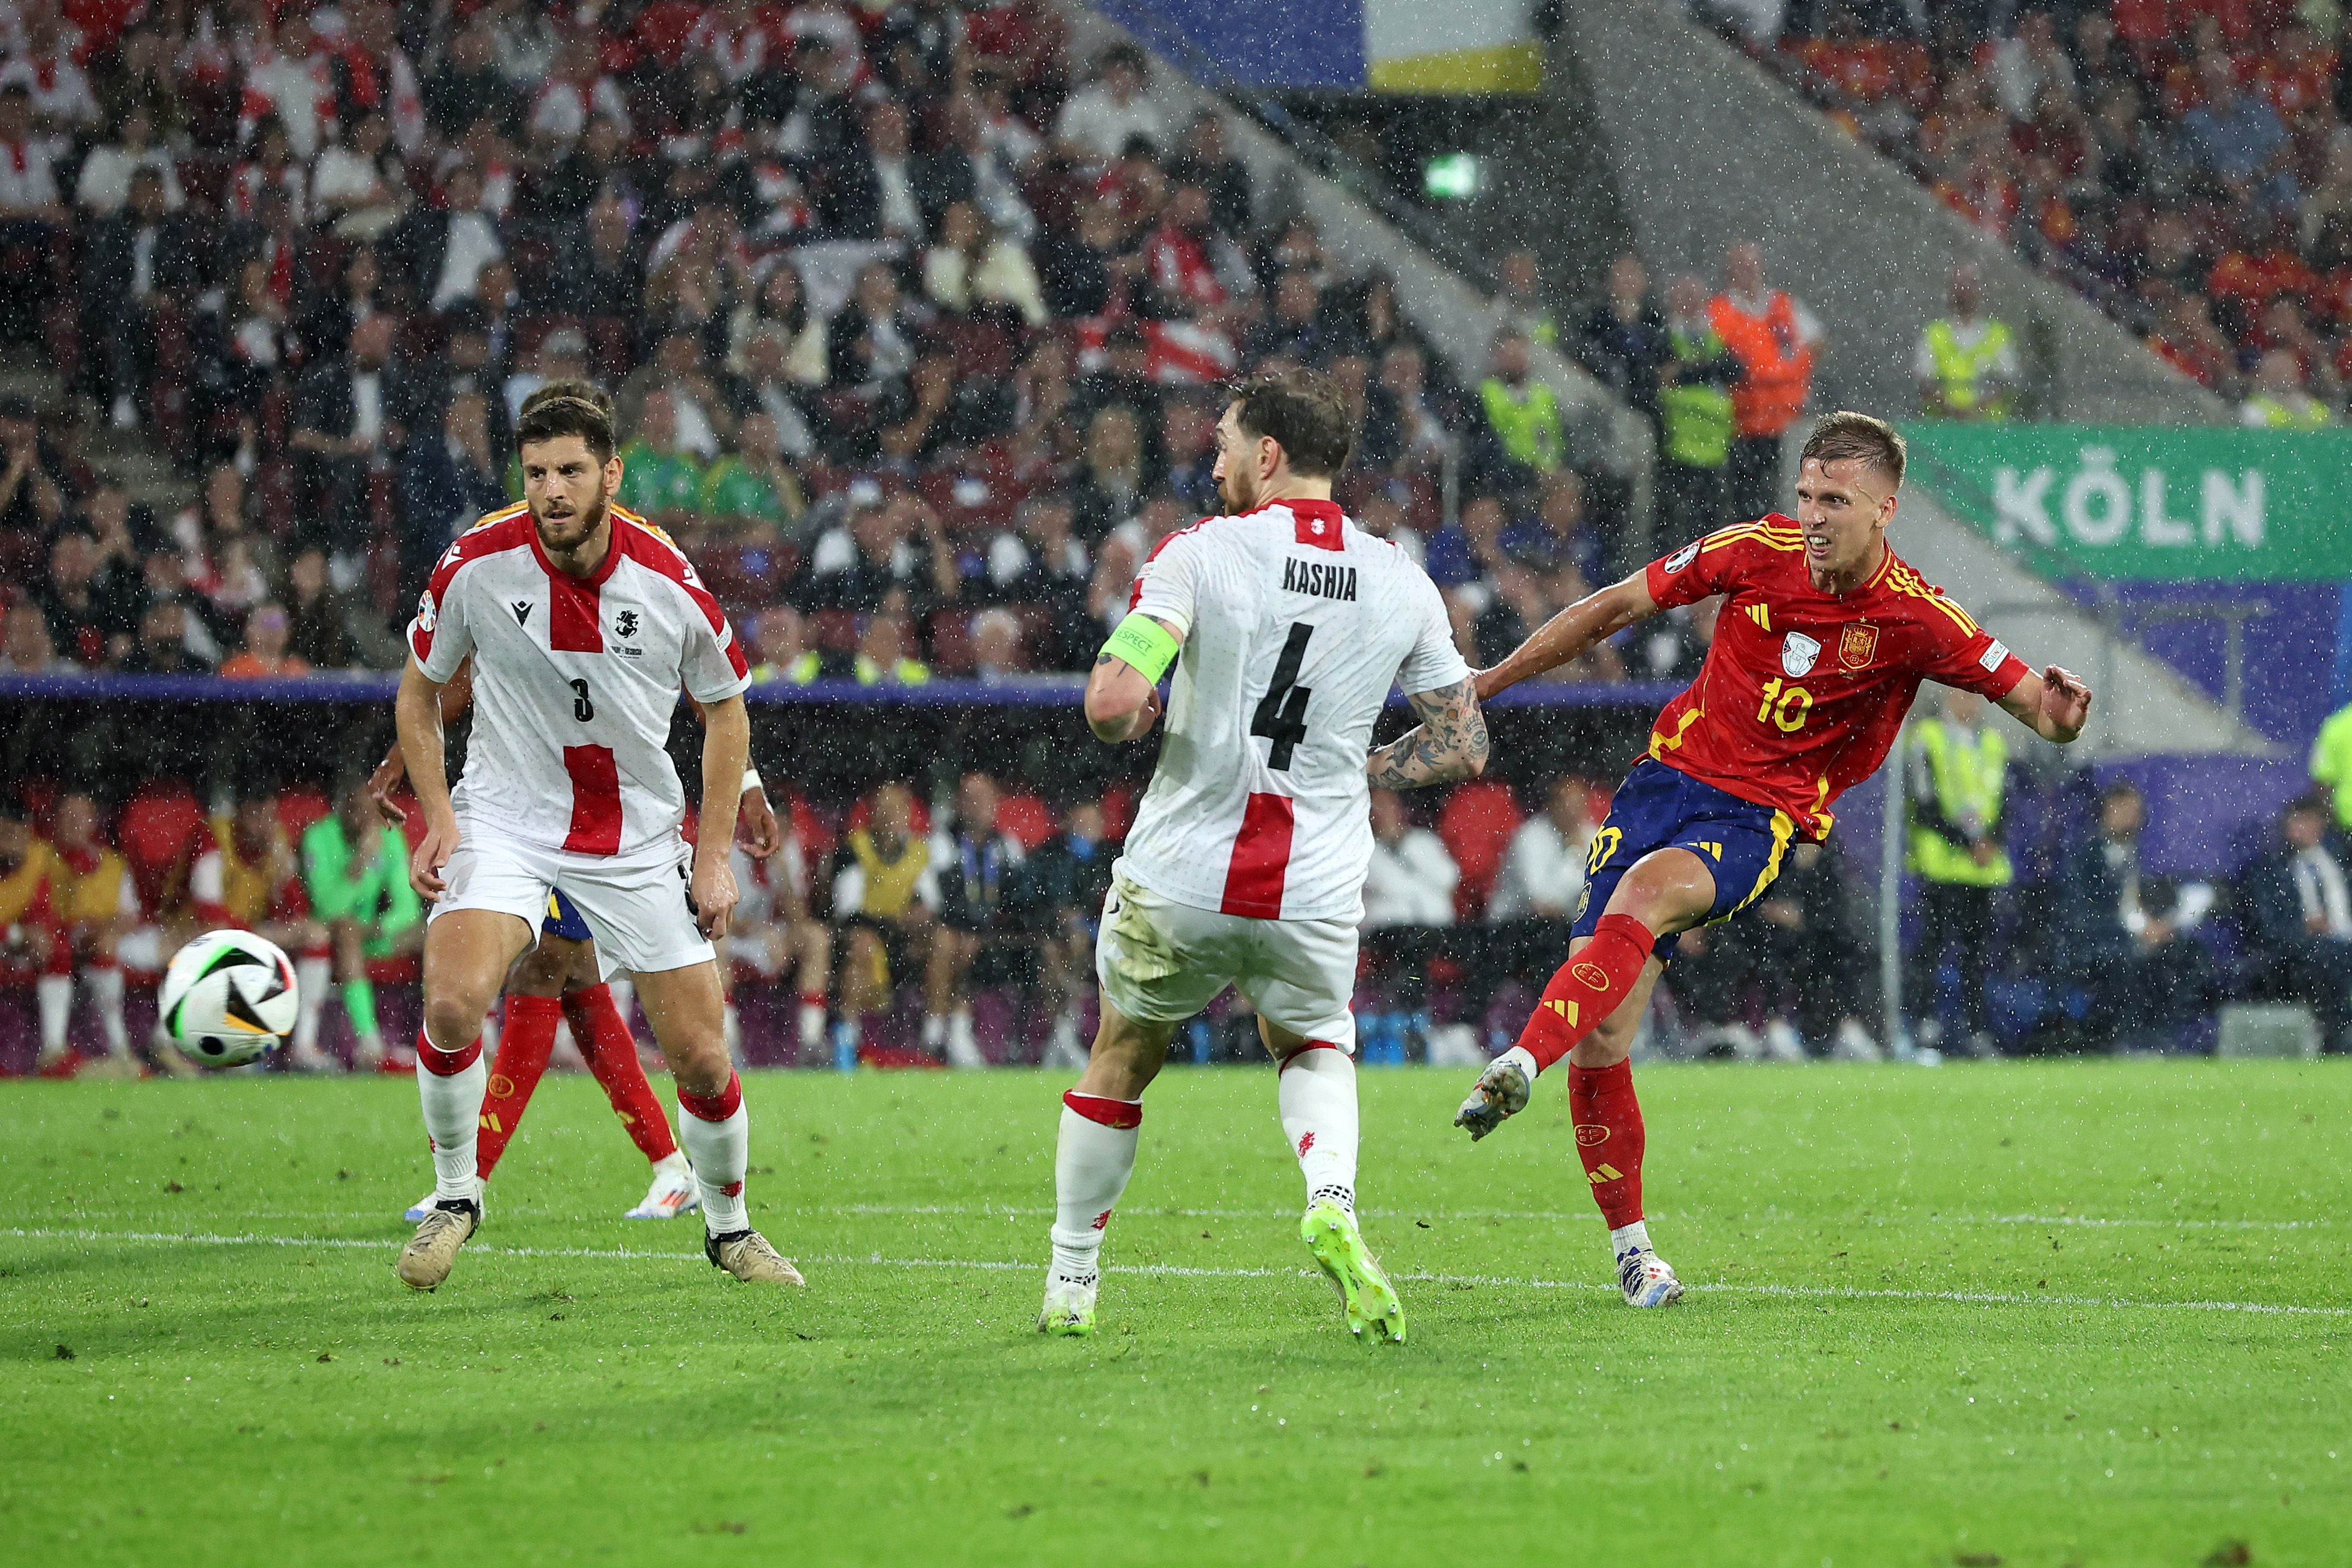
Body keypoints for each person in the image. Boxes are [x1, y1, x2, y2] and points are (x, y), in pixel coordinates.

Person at [1452, 411, 2092, 1308]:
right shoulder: (1755, 550)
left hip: (1760, 818)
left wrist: (2063, 711)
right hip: (1661, 786)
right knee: (1603, 1033)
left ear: (1884, 510)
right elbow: (1617, 607)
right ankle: (1635, 1255)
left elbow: (2039, 706)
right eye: (1806, 495)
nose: (1815, 515)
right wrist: (1486, 684)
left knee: (1644, 899)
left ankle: (1518, 1060)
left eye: (1836, 499)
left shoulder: (1915, 616)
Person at [1042, 368, 1490, 1342]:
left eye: (1226, 444)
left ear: (1270, 455)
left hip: (1184, 873)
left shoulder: (1199, 556)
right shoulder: (1402, 579)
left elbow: (1113, 705)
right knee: (1315, 1040)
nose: (1215, 462)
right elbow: (1465, 741)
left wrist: (1137, 701)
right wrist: (1359, 764)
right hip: (1315, 886)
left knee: (1123, 1053)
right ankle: (1330, 1195)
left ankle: (1072, 1283)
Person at [392, 381, 798, 1289]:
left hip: (636, 841)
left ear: (612, 472)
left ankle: (729, 1229)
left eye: (572, 470)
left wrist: (714, 859)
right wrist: (442, 820)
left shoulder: (669, 582)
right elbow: (421, 691)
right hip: (506, 821)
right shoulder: (474, 564)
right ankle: (457, 1197)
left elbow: (727, 714)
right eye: (536, 472)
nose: (552, 491)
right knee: (454, 1002)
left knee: (700, 1056)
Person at [2055, 781, 2216, 1053]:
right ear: (2104, 813)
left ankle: (2169, 1037)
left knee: (2189, 954)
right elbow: (2079, 916)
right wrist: (2133, 932)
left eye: (2133, 812)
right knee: (2124, 962)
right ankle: (2128, 1041)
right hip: (2094, 944)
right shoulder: (2082, 856)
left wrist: (2161, 927)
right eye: (2120, 810)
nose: (2128, 818)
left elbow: (2140, 903)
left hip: (2137, 939)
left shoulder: (2141, 855)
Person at [190, 793, 335, 1070]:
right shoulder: (213, 837)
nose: (265, 825)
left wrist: (283, 882)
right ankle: (223, 1043)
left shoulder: (275, 843)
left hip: (250, 936)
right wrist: (263, 933)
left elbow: (298, 913)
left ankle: (303, 1046)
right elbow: (208, 915)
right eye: (257, 816)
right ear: (239, 815)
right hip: (191, 936)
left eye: (270, 817)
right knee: (226, 942)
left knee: (315, 934)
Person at [1905, 686, 2012, 1058]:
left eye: (1974, 697)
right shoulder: (1927, 738)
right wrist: (1967, 841)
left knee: (1976, 954)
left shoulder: (1994, 742)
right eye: (1962, 696)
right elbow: (1924, 800)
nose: (1969, 704)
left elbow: (2004, 798)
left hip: (1982, 871)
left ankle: (1977, 1031)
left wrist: (1990, 840)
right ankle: (1923, 1028)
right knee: (1932, 948)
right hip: (1941, 864)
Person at [303, 776, 425, 1071]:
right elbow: (327, 910)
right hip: (339, 939)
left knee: (439, 930)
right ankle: (369, 1044)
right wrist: (361, 861)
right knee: (345, 929)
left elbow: (408, 906)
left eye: (371, 811)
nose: (365, 819)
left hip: (376, 932)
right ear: (341, 808)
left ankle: (444, 1038)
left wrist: (380, 927)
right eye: (357, 810)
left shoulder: (389, 835)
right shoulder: (319, 838)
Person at [1709, 242, 1819, 525]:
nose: (1748, 271)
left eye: (1752, 264)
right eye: (1741, 266)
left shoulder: (1782, 305)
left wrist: (1798, 380)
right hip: (1741, 424)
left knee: (1785, 505)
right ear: (1730, 271)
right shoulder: (1720, 311)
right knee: (1744, 507)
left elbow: (1816, 340)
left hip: (1786, 423)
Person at [2242, 797, 2352, 1054]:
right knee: (2330, 957)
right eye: (2296, 821)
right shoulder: (2268, 870)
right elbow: (2266, 927)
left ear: (2322, 825)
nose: (2301, 828)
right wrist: (2305, 929)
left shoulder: (2342, 861)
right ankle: (2339, 1042)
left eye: (2309, 821)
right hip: (2302, 952)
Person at [1655, 274, 1742, 544]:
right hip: (1678, 443)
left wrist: (1687, 372)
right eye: (1684, 299)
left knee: (1709, 525)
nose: (1691, 306)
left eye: (1696, 299)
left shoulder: (1713, 337)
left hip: (1713, 447)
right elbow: (1658, 373)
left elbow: (1736, 369)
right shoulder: (1666, 334)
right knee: (1673, 524)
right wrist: (1707, 370)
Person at [1915, 264, 2018, 421]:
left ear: (1980, 290)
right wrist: (1954, 411)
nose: (1964, 291)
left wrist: (1976, 411)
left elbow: (2007, 386)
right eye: (1959, 285)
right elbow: (1925, 384)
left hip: (1990, 433)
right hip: (1941, 431)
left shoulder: (1999, 335)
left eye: (1969, 284)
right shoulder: (1933, 334)